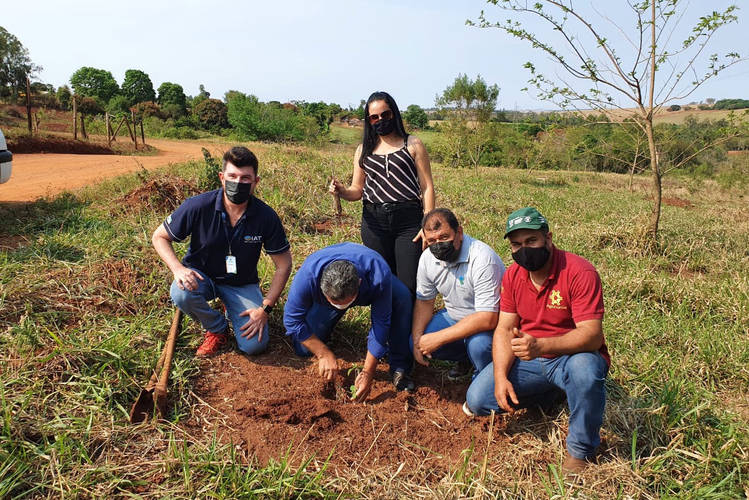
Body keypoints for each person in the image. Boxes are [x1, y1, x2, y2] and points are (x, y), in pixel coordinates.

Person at [465, 207, 609, 475]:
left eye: (531, 241)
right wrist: (500, 376)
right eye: (516, 244)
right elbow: (505, 328)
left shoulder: (579, 272)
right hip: (531, 359)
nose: (524, 250)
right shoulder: (513, 275)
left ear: (548, 238)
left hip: (569, 356)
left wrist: (542, 346)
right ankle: (552, 394)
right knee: (478, 400)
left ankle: (581, 450)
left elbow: (592, 335)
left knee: (585, 372)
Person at [152, 146, 292, 357]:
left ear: (256, 181)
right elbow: (159, 236)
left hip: (241, 283)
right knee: (180, 292)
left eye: (245, 178)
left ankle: (232, 306)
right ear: (222, 177)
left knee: (254, 346)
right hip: (201, 276)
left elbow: (284, 265)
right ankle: (216, 328)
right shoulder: (198, 206)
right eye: (232, 176)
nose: (238, 183)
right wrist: (178, 269)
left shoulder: (266, 217)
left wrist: (265, 309)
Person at [328, 91, 435, 294]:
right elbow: (357, 190)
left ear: (394, 113)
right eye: (374, 117)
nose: (380, 120)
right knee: (380, 280)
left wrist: (427, 224)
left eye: (385, 115)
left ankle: (408, 326)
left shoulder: (412, 144)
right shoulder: (363, 149)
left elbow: (427, 187)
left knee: (408, 284)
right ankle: (384, 325)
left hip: (408, 222)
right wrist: (341, 191)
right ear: (369, 120)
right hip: (374, 222)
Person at [283, 242, 415, 400]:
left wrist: (367, 372)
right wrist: (323, 353)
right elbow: (292, 320)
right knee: (303, 349)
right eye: (334, 301)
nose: (339, 306)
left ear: (359, 284)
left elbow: (381, 324)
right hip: (332, 287)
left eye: (345, 302)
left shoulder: (377, 274)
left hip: (369, 272)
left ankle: (400, 365)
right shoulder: (309, 275)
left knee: (402, 297)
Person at [412, 208, 505, 382]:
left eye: (444, 237)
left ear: (459, 232)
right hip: (455, 316)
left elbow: (488, 318)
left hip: (490, 324)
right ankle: (465, 359)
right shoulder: (427, 259)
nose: (438, 244)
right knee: (416, 342)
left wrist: (439, 338)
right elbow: (424, 302)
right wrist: (418, 339)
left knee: (479, 346)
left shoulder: (482, 259)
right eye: (432, 240)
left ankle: (485, 376)